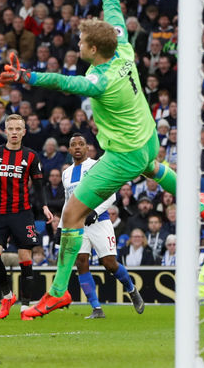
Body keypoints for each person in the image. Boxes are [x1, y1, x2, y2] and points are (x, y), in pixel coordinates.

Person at [0, 0, 181, 319]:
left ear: (94, 48)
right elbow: (112, 1)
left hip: (123, 154)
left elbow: (66, 82)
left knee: (71, 216)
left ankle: (60, 292)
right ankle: (195, 197)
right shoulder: (124, 47)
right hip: (147, 139)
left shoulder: (101, 79)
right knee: (154, 166)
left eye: (81, 43)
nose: (77, 45)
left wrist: (28, 76)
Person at [0, 114, 53, 321]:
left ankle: (26, 307)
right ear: (5, 130)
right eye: (10, 129)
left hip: (22, 213)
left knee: (25, 259)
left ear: (24, 132)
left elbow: (39, 186)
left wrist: (45, 207)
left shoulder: (31, 156)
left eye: (17, 129)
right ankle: (7, 296)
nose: (14, 132)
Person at [63, 134, 144, 319]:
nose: (77, 147)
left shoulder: (97, 165)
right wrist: (62, 226)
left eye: (81, 144)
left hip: (100, 221)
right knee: (81, 262)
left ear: (87, 148)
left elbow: (111, 194)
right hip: (77, 224)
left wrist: (96, 211)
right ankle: (96, 308)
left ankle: (131, 290)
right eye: (73, 145)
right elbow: (68, 201)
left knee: (109, 263)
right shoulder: (66, 173)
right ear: (69, 150)